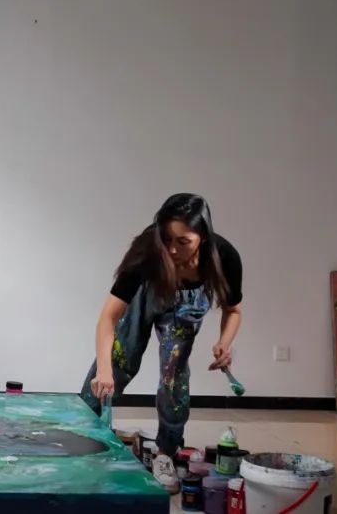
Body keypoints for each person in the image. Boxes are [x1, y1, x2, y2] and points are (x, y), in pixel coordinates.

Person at [80, 193, 243, 493]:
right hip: (147, 293)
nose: (172, 249)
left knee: (173, 374)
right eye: (166, 239)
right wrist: (104, 370)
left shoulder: (225, 258)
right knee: (119, 360)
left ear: (204, 237)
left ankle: (166, 453)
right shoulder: (148, 253)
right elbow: (108, 318)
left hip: (188, 305)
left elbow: (233, 310)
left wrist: (224, 342)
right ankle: (81, 437)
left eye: (183, 241)